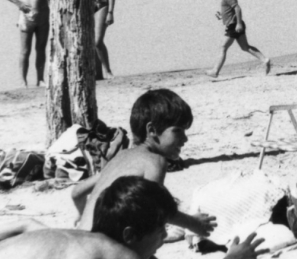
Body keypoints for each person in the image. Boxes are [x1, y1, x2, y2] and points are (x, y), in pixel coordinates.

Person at [0, 176, 265, 259]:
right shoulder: (118, 254)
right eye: (160, 230)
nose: (164, 238)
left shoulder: (77, 238)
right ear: (129, 235)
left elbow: (26, 224)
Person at [70, 89, 218, 239]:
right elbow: (156, 209)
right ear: (152, 130)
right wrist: (193, 223)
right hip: (104, 246)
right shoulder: (155, 161)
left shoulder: (120, 157)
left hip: (81, 239)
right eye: (177, 131)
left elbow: (77, 192)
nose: (185, 139)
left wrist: (83, 216)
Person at [0, 0, 51, 86]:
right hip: (27, 16)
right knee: (25, 50)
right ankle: (23, 82)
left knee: (41, 49)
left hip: (43, 15)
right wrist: (19, 3)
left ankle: (40, 80)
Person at [213, 0, 271, 77]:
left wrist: (238, 24)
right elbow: (230, 11)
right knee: (245, 47)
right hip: (235, 24)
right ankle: (264, 59)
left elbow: (237, 8)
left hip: (233, 26)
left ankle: (215, 71)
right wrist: (222, 16)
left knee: (223, 47)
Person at [94, 0, 116, 80]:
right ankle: (97, 74)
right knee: (90, 43)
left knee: (97, 41)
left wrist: (110, 12)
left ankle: (108, 71)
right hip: (87, 9)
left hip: (101, 5)